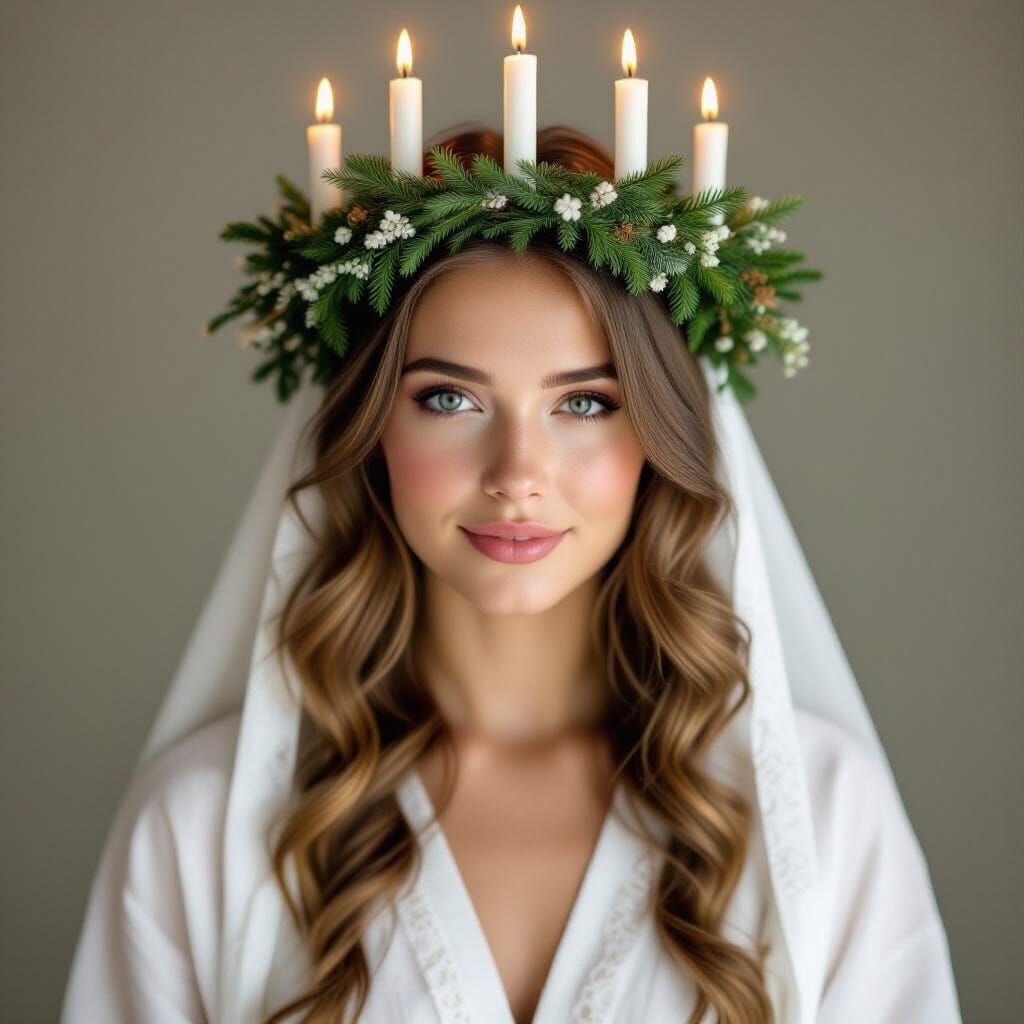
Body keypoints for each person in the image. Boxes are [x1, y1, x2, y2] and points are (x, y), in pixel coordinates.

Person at [59, 127, 963, 1024]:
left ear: (662, 435)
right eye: (450, 398)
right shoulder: (200, 824)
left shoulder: (819, 809)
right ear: (372, 430)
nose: (517, 473)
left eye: (585, 403)